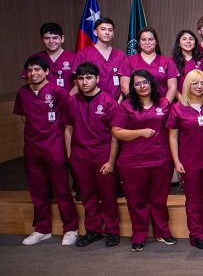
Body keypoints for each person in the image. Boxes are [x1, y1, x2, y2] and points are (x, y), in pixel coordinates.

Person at [14, 56, 79, 246]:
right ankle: (42, 229)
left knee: (61, 191)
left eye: (37, 70)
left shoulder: (58, 91)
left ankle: (71, 228)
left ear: (46, 71)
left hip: (54, 148)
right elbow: (25, 118)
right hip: (33, 151)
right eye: (30, 70)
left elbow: (69, 120)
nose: (33, 73)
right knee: (38, 191)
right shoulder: (22, 93)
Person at [111, 69, 176, 252]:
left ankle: (162, 232)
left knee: (159, 200)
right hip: (133, 162)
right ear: (132, 86)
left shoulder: (163, 103)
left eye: (145, 82)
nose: (142, 86)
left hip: (161, 160)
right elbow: (116, 132)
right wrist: (140, 132)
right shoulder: (126, 106)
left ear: (151, 83)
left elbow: (171, 129)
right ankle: (139, 235)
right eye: (137, 83)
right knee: (137, 202)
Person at [63, 62, 121, 247]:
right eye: (81, 78)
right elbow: (68, 129)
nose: (84, 82)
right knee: (88, 196)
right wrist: (70, 155)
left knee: (108, 194)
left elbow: (115, 134)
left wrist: (111, 161)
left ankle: (112, 230)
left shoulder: (108, 101)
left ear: (97, 78)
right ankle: (93, 230)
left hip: (102, 155)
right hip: (80, 156)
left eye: (88, 78)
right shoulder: (71, 102)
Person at [166, 69, 203, 250]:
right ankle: (195, 234)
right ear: (187, 85)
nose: (199, 87)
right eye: (195, 83)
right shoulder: (178, 108)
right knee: (193, 200)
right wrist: (176, 162)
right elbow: (172, 137)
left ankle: (201, 230)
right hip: (189, 162)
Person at [119, 27, 179, 102]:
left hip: (162, 109)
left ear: (156, 41)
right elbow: (125, 87)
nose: (147, 42)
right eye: (143, 40)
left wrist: (164, 106)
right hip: (137, 107)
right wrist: (136, 103)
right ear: (139, 42)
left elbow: (172, 87)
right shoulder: (128, 61)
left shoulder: (167, 61)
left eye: (150, 39)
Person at [74, 17, 126, 100]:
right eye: (103, 29)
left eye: (110, 30)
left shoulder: (121, 55)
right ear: (95, 32)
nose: (107, 32)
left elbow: (125, 82)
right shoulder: (84, 54)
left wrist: (118, 103)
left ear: (113, 34)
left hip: (116, 103)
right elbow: (78, 81)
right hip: (91, 101)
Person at [20, 23, 77, 93]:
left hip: (68, 101)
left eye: (55, 38)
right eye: (47, 38)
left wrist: (67, 99)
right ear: (42, 40)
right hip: (43, 101)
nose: (51, 41)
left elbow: (78, 84)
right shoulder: (34, 58)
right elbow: (30, 82)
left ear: (62, 38)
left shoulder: (74, 58)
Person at [171, 29, 203, 102]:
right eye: (184, 39)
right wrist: (183, 100)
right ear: (179, 43)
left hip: (200, 101)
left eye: (191, 39)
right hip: (180, 102)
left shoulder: (202, 59)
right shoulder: (172, 61)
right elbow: (171, 86)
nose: (188, 41)